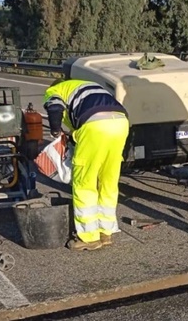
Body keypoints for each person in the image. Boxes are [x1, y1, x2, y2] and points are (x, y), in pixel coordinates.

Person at [43, 79, 129, 251]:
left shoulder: (55, 90)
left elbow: (54, 107)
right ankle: (106, 232)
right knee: (108, 180)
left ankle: (89, 237)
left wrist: (55, 130)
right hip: (121, 122)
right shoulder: (87, 86)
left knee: (84, 182)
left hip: (94, 126)